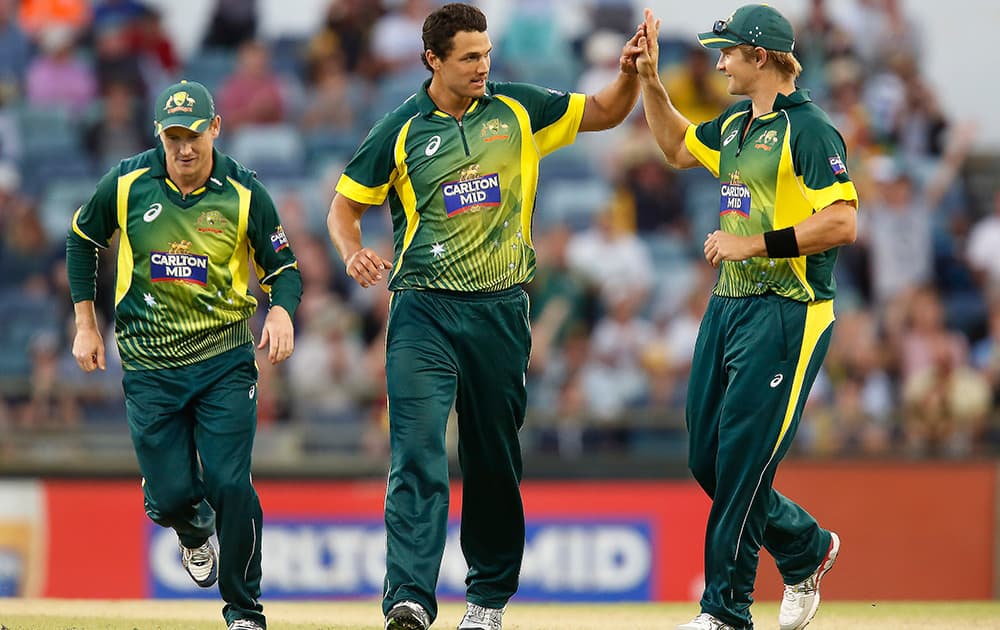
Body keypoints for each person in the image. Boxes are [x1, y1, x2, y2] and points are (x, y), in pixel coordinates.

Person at [325, 4, 642, 629]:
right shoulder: (400, 129)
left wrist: (631, 72)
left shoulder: (518, 108)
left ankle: (487, 600)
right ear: (432, 61)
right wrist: (352, 252)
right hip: (422, 311)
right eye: (469, 57)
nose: (482, 67)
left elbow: (605, 110)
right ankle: (409, 599)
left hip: (501, 312)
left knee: (493, 459)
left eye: (486, 53)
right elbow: (343, 208)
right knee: (416, 452)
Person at [633, 6, 859, 630]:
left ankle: (726, 611)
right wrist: (651, 81)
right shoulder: (736, 122)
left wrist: (755, 244)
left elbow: (841, 222)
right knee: (707, 459)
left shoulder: (811, 131)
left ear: (760, 57)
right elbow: (678, 146)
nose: (719, 61)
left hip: (789, 309)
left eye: (728, 52)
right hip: (729, 305)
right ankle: (806, 547)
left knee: (742, 463)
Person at [66, 79, 302, 630]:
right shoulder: (126, 182)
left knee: (229, 483)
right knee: (171, 497)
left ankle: (244, 611)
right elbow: (82, 237)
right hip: (149, 366)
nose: (185, 149)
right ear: (159, 137)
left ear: (215, 128)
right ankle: (192, 530)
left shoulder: (245, 192)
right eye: (174, 138)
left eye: (194, 135)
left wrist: (283, 311)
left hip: (224, 360)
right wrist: (85, 324)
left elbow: (284, 268)